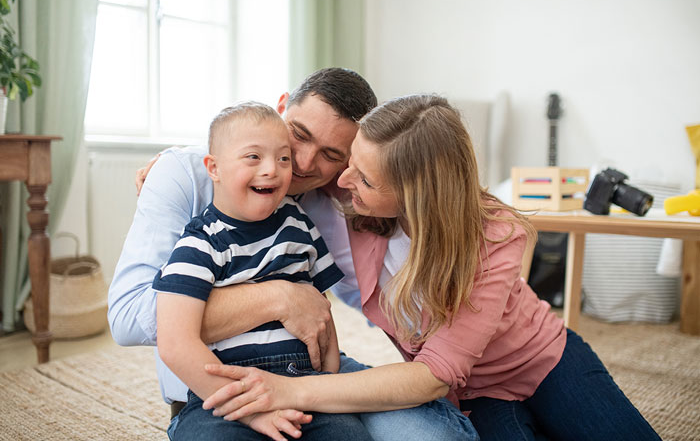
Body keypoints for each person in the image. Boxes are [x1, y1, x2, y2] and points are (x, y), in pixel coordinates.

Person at [199, 94, 662, 441]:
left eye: (364, 177)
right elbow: (259, 137)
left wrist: (290, 391)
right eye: (352, 161)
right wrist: (179, 166)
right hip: (474, 395)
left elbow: (431, 374)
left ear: (415, 195)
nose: (342, 180)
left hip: (544, 359)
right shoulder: (352, 195)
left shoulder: (497, 234)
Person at [109, 69, 477, 440]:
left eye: (331, 155)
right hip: (216, 384)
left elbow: (374, 299)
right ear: (282, 106)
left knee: (433, 435)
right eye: (298, 134)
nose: (300, 162)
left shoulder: (329, 202)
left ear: (347, 164)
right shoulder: (186, 181)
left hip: (305, 374)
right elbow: (127, 318)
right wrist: (280, 298)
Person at [153, 102, 375, 440]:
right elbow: (174, 343)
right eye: (253, 157)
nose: (272, 169)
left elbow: (321, 309)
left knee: (350, 436)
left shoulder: (300, 226)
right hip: (227, 397)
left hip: (302, 386)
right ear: (214, 168)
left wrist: (328, 379)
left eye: (283, 158)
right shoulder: (198, 244)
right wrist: (250, 411)